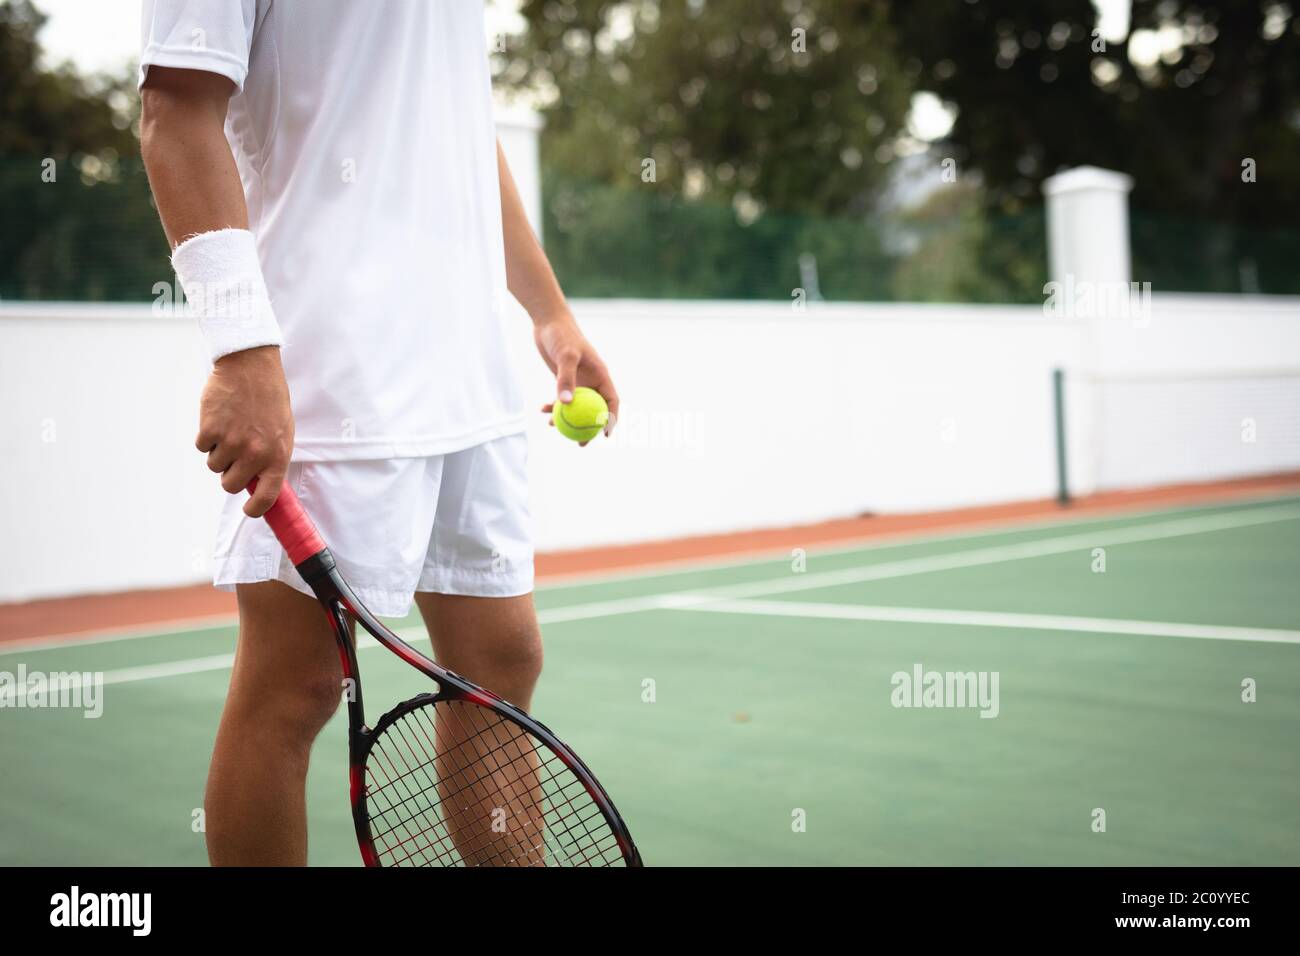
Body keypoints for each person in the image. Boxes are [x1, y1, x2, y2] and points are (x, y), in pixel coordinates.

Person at [138, 0, 618, 866]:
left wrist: (549, 314)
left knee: (501, 668)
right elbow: (175, 109)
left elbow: (462, 134)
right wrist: (243, 350)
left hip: (468, 372)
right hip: (334, 362)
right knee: (298, 685)